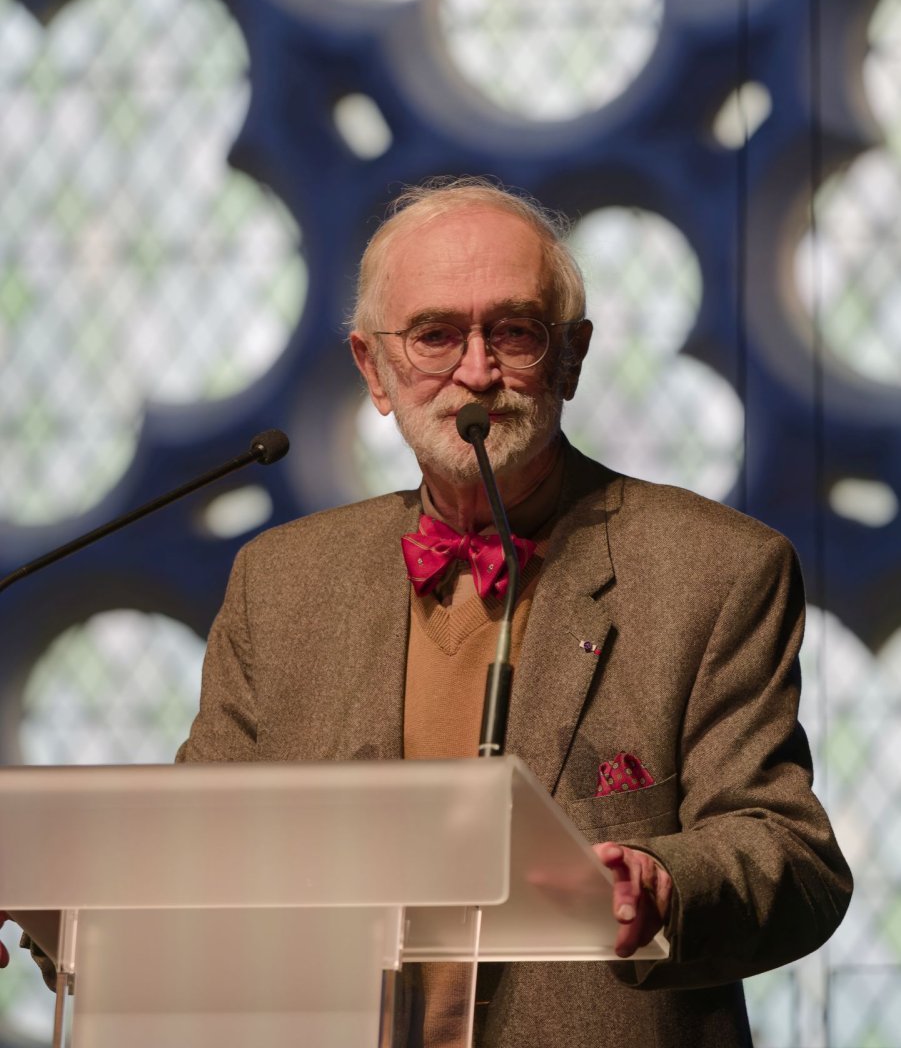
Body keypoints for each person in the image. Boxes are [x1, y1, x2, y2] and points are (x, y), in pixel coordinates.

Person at [180, 176, 852, 1046]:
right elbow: (187, 856)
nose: (476, 371)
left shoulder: (716, 570)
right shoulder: (281, 583)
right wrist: (45, 915)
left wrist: (659, 878)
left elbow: (791, 856)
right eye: (433, 336)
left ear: (570, 356)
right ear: (373, 370)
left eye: (513, 332)